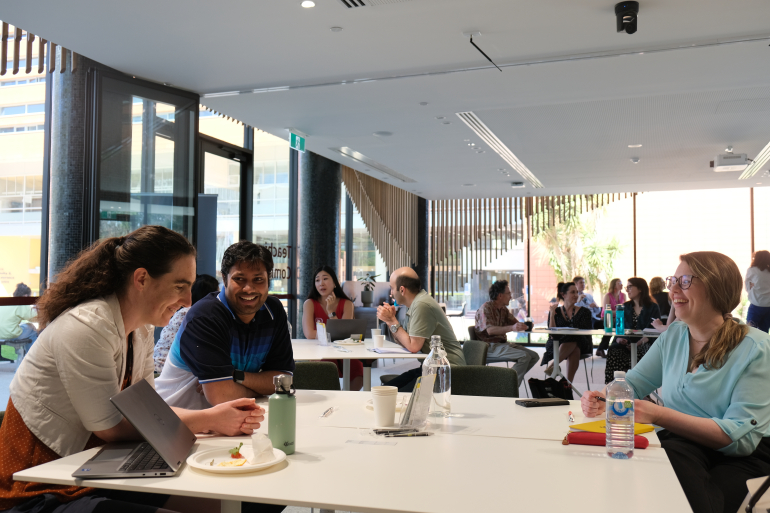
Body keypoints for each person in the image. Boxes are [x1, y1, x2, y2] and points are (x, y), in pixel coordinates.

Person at [0, 226, 272, 513]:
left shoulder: (140, 331)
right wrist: (210, 419)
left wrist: (213, 419)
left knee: (217, 501)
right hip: (37, 489)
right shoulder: (86, 326)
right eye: (180, 286)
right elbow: (110, 428)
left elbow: (148, 410)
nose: (188, 301)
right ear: (141, 278)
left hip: (91, 471)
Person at [581, 251, 770, 513]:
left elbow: (740, 439)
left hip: (744, 455)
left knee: (674, 479)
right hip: (682, 444)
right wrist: (602, 398)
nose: (673, 290)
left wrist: (659, 415)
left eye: (685, 281)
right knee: (655, 467)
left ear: (715, 286)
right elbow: (633, 383)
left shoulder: (757, 348)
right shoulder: (675, 335)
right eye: (673, 281)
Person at [156, 241, 294, 410]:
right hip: (177, 421)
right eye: (239, 279)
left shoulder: (273, 311)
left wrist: (236, 377)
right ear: (225, 279)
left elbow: (283, 380)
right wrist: (260, 391)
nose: (249, 288)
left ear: (268, 281)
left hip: (228, 422)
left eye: (258, 279)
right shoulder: (206, 316)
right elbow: (221, 396)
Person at [375, 267, 466, 392]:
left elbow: (413, 346)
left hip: (449, 371)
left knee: (393, 396)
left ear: (402, 290)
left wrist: (391, 321)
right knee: (384, 391)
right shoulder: (412, 305)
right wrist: (391, 321)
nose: (391, 293)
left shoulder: (421, 305)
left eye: (391, 288)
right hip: (432, 368)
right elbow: (404, 341)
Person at [302, 266, 364, 390]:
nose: (321, 283)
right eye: (317, 280)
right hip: (319, 348)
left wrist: (331, 313)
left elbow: (344, 334)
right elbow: (309, 334)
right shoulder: (309, 303)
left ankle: (345, 400)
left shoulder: (347, 304)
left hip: (343, 348)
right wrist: (334, 333)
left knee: (357, 368)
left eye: (325, 279)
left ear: (335, 283)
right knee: (326, 366)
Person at [474, 280, 538, 386]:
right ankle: (508, 387)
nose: (511, 297)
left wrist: (525, 325)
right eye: (508, 294)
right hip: (489, 346)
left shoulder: (503, 309)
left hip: (502, 345)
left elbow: (516, 324)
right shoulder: (486, 308)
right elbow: (490, 330)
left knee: (534, 356)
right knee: (524, 356)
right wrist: (512, 328)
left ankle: (508, 382)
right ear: (500, 295)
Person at [153, 274, 220, 374]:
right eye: (217, 295)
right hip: (166, 374)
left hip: (155, 369)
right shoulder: (196, 316)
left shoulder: (184, 312)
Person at [603, 277, 661, 384]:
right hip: (626, 343)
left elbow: (654, 330)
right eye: (627, 287)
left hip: (645, 342)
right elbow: (619, 327)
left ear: (640, 289)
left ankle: (640, 388)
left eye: (630, 287)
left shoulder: (653, 307)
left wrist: (640, 342)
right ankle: (615, 387)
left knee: (643, 353)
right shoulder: (625, 306)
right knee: (614, 350)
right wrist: (620, 338)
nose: (627, 290)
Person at [540, 282, 593, 382]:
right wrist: (551, 315)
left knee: (574, 339)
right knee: (574, 349)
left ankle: (553, 366)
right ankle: (568, 385)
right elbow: (552, 334)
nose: (576, 295)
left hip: (581, 343)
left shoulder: (585, 312)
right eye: (573, 292)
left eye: (577, 292)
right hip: (557, 343)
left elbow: (585, 332)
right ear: (563, 295)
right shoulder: (556, 311)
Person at [0, 283, 38, 356]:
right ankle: (32, 357)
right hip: (10, 335)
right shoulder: (21, 302)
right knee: (32, 328)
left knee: (22, 326)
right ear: (25, 296)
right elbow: (33, 318)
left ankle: (24, 355)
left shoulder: (7, 300)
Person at [595, 278, 626, 357]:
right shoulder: (608, 295)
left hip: (617, 320)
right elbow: (606, 311)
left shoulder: (623, 295)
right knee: (611, 326)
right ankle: (601, 349)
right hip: (606, 319)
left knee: (620, 325)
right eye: (619, 283)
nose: (622, 284)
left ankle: (610, 347)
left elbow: (625, 309)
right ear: (614, 285)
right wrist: (619, 312)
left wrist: (618, 313)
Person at [745, 250, 770, 333]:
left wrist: (751, 287)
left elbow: (747, 284)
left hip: (756, 305)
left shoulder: (753, 270)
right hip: (768, 306)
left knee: (750, 330)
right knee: (764, 331)